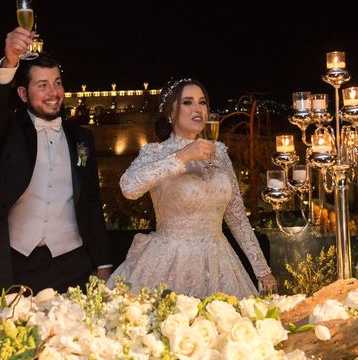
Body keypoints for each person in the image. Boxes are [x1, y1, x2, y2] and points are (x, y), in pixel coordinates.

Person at [107, 78, 276, 298]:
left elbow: (237, 218)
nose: (198, 108)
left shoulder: (220, 154)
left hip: (219, 263)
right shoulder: (156, 153)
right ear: (170, 113)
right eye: (188, 102)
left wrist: (262, 270)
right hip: (169, 262)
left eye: (202, 102)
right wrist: (183, 156)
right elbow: (128, 188)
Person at [0, 27, 113, 299]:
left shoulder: (82, 139)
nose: (53, 92)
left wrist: (104, 263)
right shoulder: (8, 134)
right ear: (23, 94)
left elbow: (91, 202)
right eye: (42, 85)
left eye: (58, 82)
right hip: (18, 266)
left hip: (73, 263)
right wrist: (10, 62)